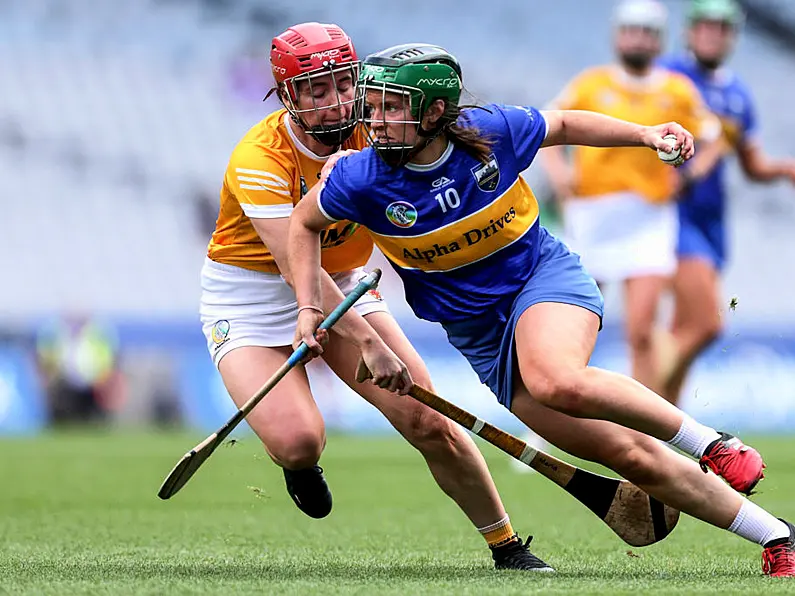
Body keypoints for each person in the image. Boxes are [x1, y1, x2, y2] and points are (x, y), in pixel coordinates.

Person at [287, 42, 795, 577]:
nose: (374, 117)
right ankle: (776, 535)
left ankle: (713, 444)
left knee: (556, 380)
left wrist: (645, 135)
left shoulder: (493, 131)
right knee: (631, 457)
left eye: (392, 105)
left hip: (541, 280)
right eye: (373, 102)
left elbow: (566, 125)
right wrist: (307, 308)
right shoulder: (359, 177)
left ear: (435, 112)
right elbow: (302, 226)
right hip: (482, 339)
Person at [200, 22, 548, 571]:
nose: (336, 103)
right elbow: (297, 268)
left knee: (428, 419)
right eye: (316, 90)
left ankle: (506, 546)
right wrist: (369, 343)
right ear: (287, 94)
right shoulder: (259, 159)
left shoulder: (384, 128)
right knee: (298, 442)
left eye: (342, 84)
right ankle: (298, 465)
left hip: (345, 286)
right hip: (249, 299)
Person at [542, 0, 723, 394]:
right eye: (630, 31)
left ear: (659, 41)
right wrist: (560, 176)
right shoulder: (592, 84)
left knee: (642, 332)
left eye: (646, 32)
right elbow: (547, 130)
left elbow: (713, 139)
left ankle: (648, 434)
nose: (637, 39)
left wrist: (690, 175)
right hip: (592, 218)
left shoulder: (677, 90)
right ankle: (549, 414)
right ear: (617, 35)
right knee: (576, 324)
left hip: (649, 219)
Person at [656, 0, 795, 404]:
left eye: (723, 28)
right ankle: (635, 401)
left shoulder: (737, 93)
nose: (714, 34)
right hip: (672, 214)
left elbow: (752, 166)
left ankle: (663, 425)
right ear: (689, 31)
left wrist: (784, 170)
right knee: (705, 324)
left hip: (712, 220)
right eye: (707, 25)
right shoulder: (669, 78)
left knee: (685, 327)